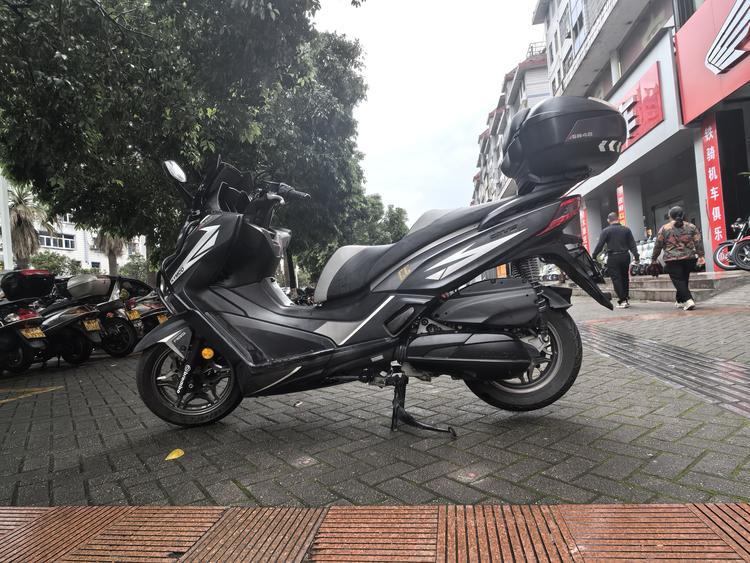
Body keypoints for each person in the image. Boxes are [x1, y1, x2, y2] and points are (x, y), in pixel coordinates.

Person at [651, 206, 705, 311]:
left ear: (670, 216)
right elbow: (698, 242)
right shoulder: (691, 226)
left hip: (672, 259)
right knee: (683, 279)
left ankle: (688, 300)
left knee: (679, 281)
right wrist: (701, 255)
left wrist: (654, 258)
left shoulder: (665, 228)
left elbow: (658, 245)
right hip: (689, 258)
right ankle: (680, 301)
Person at [592, 212, 640, 308]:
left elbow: (600, 245)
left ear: (608, 220)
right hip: (625, 256)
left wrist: (594, 255)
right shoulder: (626, 230)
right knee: (625, 277)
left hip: (613, 257)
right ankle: (625, 298)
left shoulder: (606, 231)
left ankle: (622, 300)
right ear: (618, 218)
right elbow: (632, 244)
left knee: (616, 279)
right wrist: (636, 256)